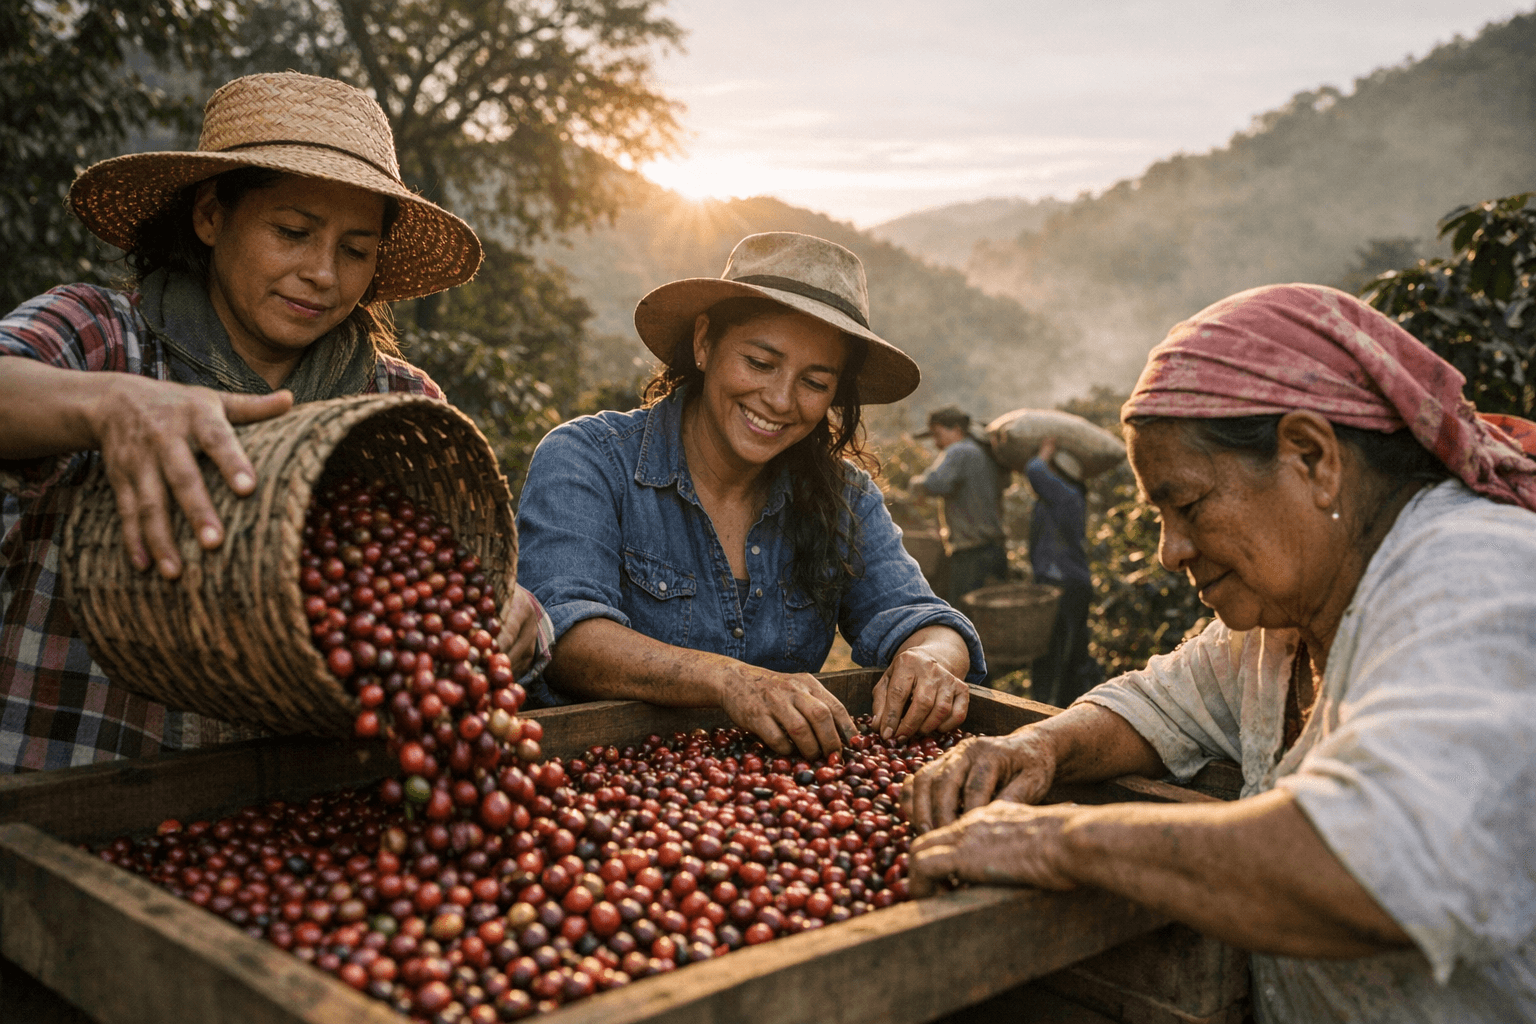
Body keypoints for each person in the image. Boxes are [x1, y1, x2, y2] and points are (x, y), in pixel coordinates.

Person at [901, 283, 1536, 1023]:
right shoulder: (1278, 627)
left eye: (1189, 505)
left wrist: (1060, 842)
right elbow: (1156, 703)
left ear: (1311, 457)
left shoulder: (1479, 576)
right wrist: (1044, 746)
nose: (1171, 551)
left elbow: (1387, 861)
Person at [0, 73, 550, 773]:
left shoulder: (396, 403)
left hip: (285, 810)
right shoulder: (101, 336)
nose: (323, 273)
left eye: (355, 250)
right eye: (292, 232)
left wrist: (524, 620)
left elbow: (461, 586)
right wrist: (108, 405)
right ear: (209, 216)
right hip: (67, 789)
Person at [516, 232, 986, 758]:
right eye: (760, 363)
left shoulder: (845, 498)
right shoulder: (590, 460)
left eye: (814, 382)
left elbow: (921, 618)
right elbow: (564, 637)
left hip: (774, 801)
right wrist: (729, 680)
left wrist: (931, 659)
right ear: (703, 343)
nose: (781, 400)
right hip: (605, 781)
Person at [1023, 436, 1096, 706]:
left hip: (1066, 586)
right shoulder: (1060, 500)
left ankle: (1051, 707)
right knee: (1061, 653)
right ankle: (1056, 705)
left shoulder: (1067, 496)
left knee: (1055, 654)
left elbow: (1034, 471)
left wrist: (1044, 453)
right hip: (1063, 583)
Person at [910, 405, 1009, 604]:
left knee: (964, 613)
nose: (937, 443)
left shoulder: (960, 451)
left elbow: (934, 483)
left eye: (938, 434)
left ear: (956, 429)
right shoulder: (983, 453)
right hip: (994, 548)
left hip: (971, 553)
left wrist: (915, 484)